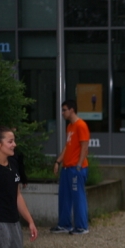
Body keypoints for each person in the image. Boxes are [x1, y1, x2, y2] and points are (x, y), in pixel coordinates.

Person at [51, 99, 91, 235]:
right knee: (64, 196)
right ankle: (64, 224)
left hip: (76, 168)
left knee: (78, 197)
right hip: (67, 168)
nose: (62, 113)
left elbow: (85, 147)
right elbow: (67, 147)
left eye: (64, 110)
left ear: (72, 110)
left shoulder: (81, 125)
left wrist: (79, 165)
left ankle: (81, 227)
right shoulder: (70, 127)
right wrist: (58, 161)